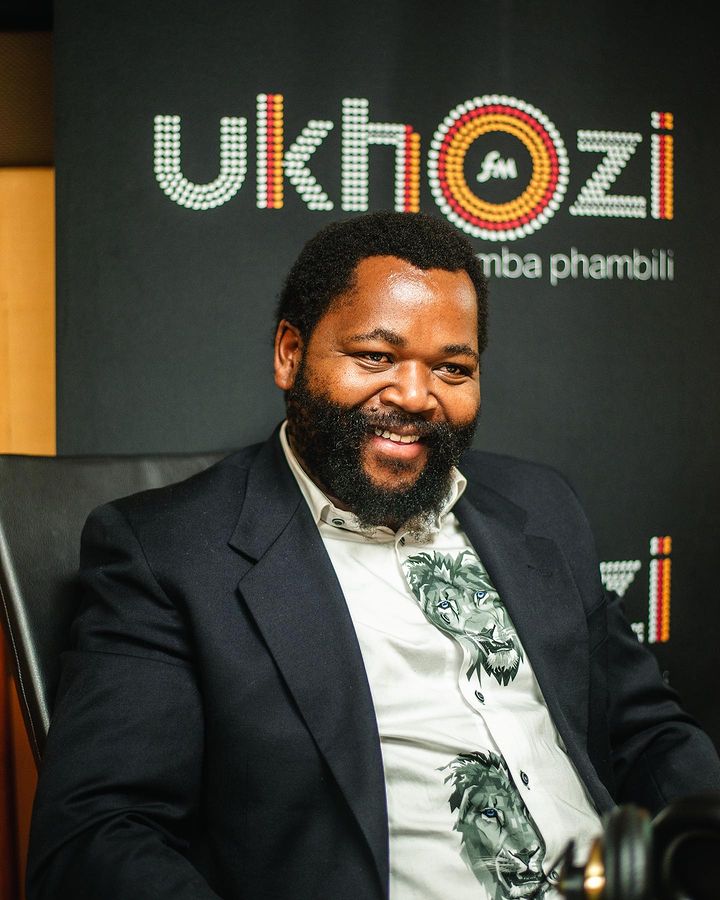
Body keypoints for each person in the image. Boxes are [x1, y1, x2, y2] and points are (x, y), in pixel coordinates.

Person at [27, 212, 720, 900]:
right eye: (375, 357)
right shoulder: (168, 553)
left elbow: (649, 734)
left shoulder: (543, 507)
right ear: (290, 354)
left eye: (452, 368)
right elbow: (97, 838)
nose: (415, 396)